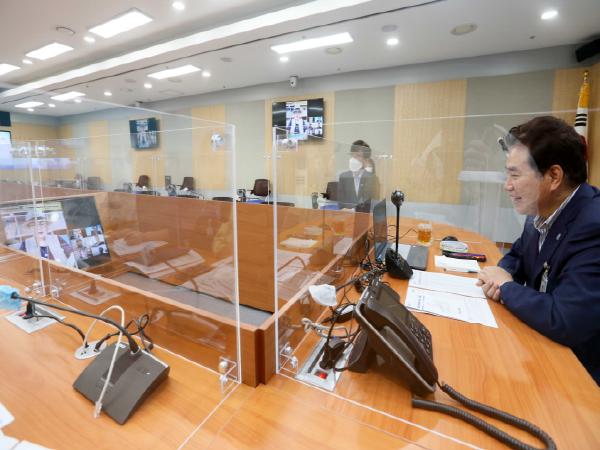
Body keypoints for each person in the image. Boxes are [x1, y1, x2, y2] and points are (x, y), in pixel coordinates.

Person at [477, 116, 600, 385]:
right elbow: (518, 255)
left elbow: (566, 319)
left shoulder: (593, 225)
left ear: (554, 176)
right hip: (541, 351)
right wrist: (498, 276)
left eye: (515, 175)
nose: (507, 185)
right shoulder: (541, 211)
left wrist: (506, 288)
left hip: (579, 379)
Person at [337, 140, 378, 211]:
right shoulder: (344, 177)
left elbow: (368, 202)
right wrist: (344, 210)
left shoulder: (371, 178)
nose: (353, 159)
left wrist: (352, 210)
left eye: (358, 156)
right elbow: (341, 202)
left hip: (364, 216)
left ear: (365, 160)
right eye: (352, 155)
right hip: (346, 216)